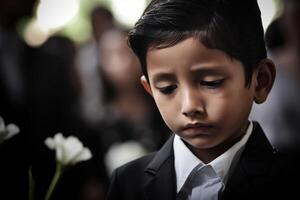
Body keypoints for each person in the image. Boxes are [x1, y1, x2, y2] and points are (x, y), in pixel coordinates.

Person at [106, 0, 296, 199]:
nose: (190, 106)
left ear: (260, 81)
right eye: (167, 88)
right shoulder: (127, 182)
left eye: (211, 82)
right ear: (151, 90)